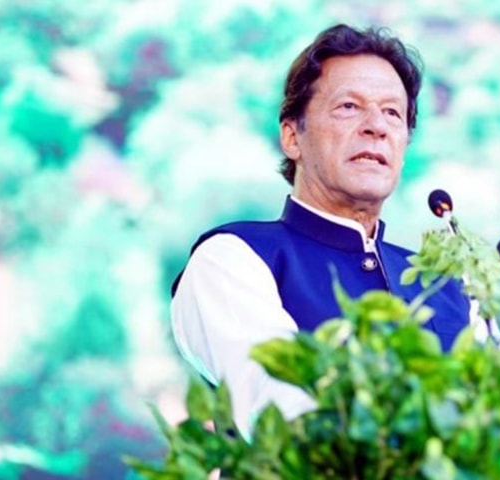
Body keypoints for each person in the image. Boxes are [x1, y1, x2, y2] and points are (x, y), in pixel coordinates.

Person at [169, 23, 472, 439]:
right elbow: (285, 413)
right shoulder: (235, 258)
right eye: (349, 107)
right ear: (292, 137)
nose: (376, 127)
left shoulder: (448, 284)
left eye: (392, 113)